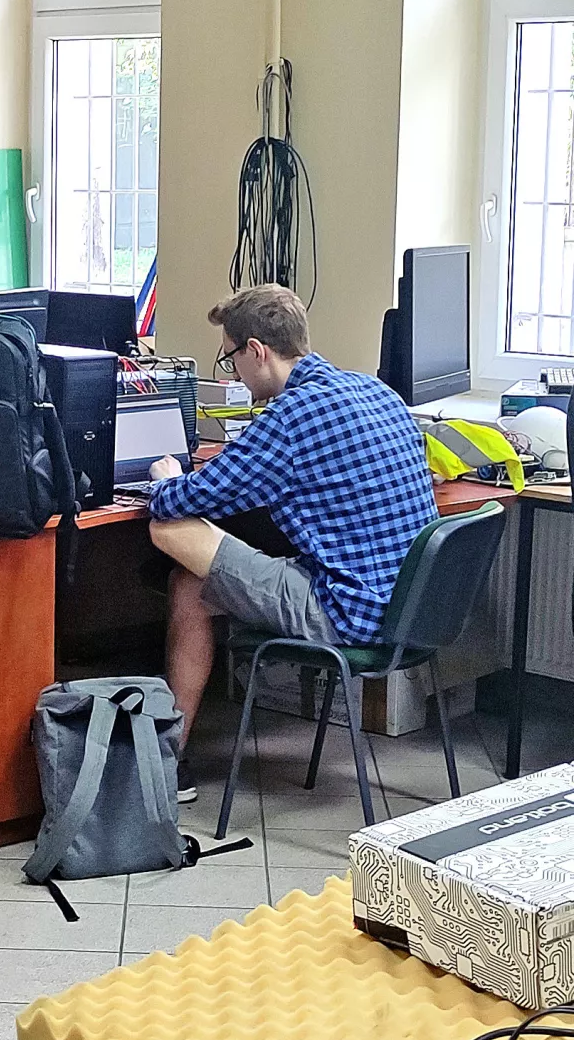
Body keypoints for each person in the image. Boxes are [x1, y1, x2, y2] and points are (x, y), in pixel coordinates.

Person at [144, 284, 434, 802]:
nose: (233, 372)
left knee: (179, 559)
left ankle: (168, 764)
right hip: (412, 611)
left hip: (347, 614)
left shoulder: (290, 417)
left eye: (230, 358)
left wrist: (166, 476)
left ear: (256, 350)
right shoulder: (376, 392)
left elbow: (185, 501)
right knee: (202, 575)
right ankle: (171, 750)